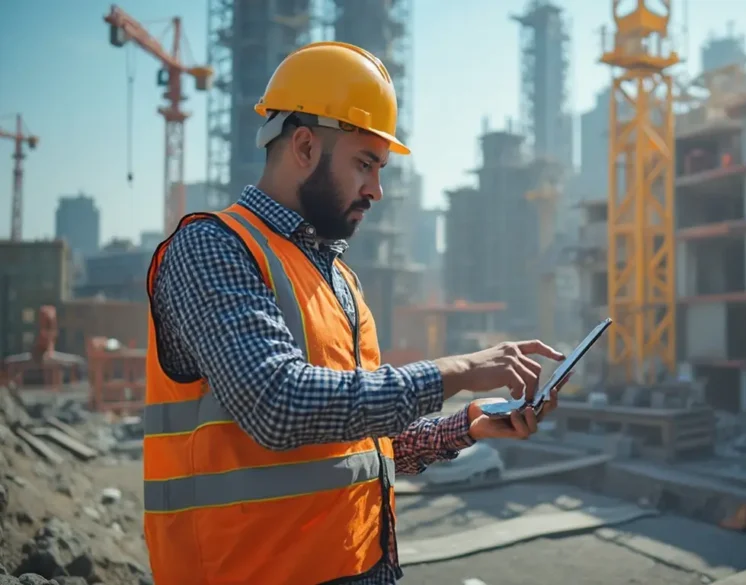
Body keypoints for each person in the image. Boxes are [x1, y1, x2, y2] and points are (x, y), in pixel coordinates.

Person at [142, 41, 567, 585]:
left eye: (381, 167)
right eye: (364, 163)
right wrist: (454, 371)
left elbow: (358, 447)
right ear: (302, 145)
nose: (378, 189)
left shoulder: (338, 279)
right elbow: (279, 405)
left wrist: (470, 425)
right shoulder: (212, 249)